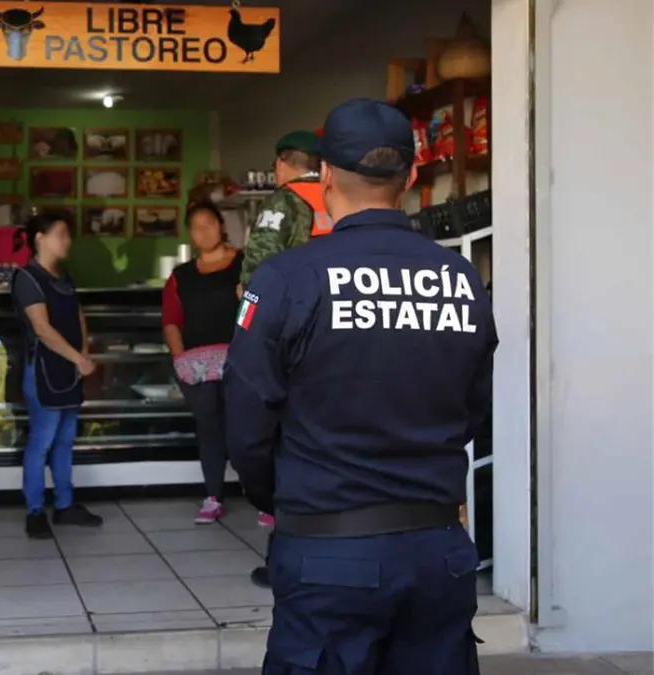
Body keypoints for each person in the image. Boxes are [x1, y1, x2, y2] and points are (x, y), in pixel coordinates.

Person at [224, 98, 497, 675]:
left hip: (328, 550)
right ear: (411, 176)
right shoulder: (460, 278)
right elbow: (474, 410)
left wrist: (284, 499)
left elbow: (247, 419)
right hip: (436, 550)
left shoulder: (288, 278)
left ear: (324, 174)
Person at [238, 129, 328, 588]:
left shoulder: (285, 200)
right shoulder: (337, 196)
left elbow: (258, 270)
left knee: (290, 447)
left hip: (294, 340)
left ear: (281, 163)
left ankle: (286, 560)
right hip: (341, 339)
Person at [10, 211, 104, 538]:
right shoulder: (27, 278)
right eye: (61, 234)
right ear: (40, 238)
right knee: (42, 441)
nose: (67, 241)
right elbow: (42, 328)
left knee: (65, 441)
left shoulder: (63, 276)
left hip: (69, 368)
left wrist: (84, 353)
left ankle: (65, 505)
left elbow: (78, 314)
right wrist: (78, 359)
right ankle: (35, 510)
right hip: (43, 370)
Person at [161, 202, 243, 524]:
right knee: (209, 429)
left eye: (208, 223)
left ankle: (264, 498)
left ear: (221, 225)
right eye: (196, 227)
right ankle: (213, 496)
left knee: (248, 429)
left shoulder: (246, 265)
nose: (203, 231)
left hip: (242, 361)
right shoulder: (181, 276)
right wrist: (180, 359)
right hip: (197, 366)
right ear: (190, 235)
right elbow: (171, 321)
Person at [239, 129, 330, 284]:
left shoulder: (283, 199)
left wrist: (248, 285)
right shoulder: (334, 194)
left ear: (281, 163)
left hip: (296, 290)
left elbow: (262, 251)